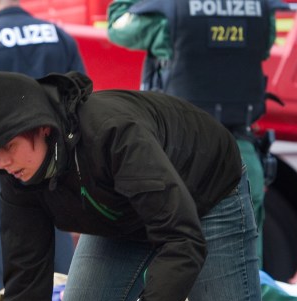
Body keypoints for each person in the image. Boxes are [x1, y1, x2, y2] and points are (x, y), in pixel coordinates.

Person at [0, 71, 266, 301]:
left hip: (205, 194)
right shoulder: (17, 173)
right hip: (120, 216)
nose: (1, 162)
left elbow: (181, 235)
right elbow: (26, 275)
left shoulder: (113, 132)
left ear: (41, 128)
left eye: (8, 147)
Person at [107, 0, 278, 261]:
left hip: (182, 156)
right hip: (242, 153)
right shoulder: (259, 8)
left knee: (174, 268)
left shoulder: (170, 12)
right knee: (248, 272)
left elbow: (118, 27)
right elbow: (264, 47)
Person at [0, 0, 85, 289]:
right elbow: (81, 95)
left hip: (4, 154)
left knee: (7, 225)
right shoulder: (57, 33)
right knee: (60, 222)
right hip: (55, 148)